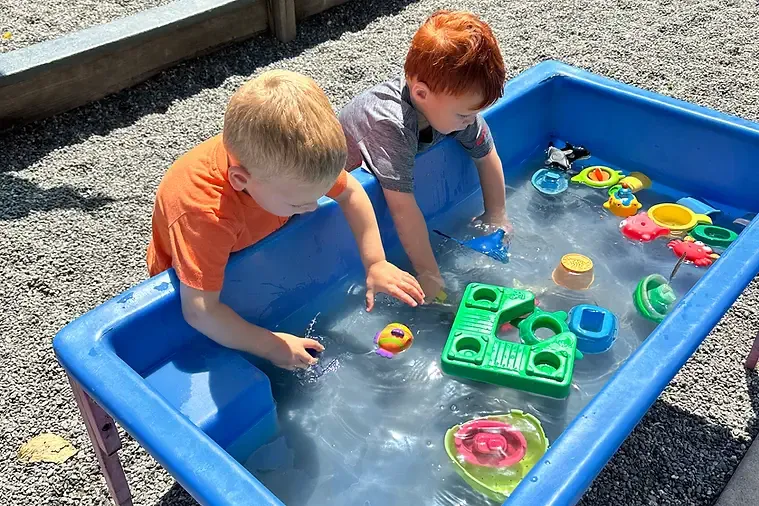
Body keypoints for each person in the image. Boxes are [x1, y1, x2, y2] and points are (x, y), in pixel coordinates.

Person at [147, 70, 425, 370]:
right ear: (240, 180)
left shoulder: (291, 167)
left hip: (253, 243)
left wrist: (375, 262)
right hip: (196, 283)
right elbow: (200, 311)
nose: (310, 209)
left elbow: (352, 192)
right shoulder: (207, 215)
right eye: (299, 203)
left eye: (316, 197)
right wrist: (271, 346)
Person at [339, 10, 510, 302]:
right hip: (331, 189)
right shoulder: (391, 125)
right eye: (465, 114)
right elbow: (403, 210)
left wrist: (496, 215)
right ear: (420, 94)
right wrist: (429, 274)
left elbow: (486, 154)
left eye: (475, 113)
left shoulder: (450, 107)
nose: (472, 121)